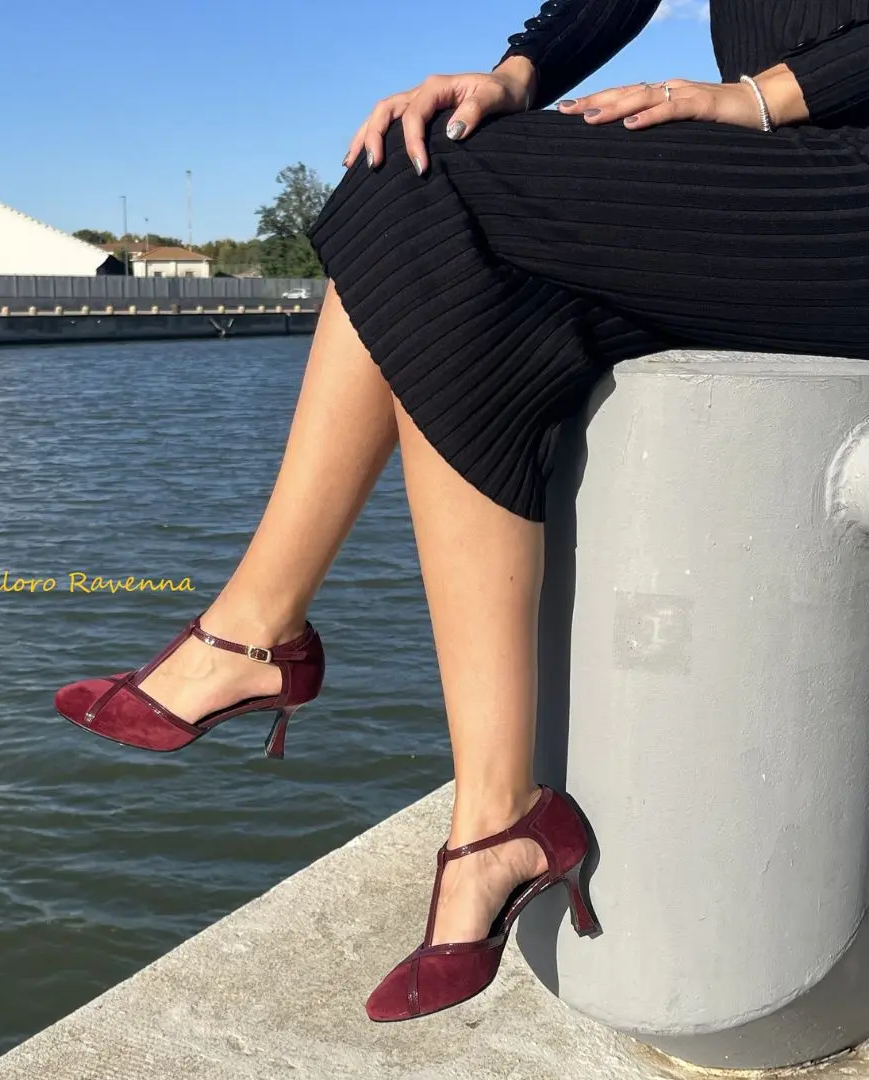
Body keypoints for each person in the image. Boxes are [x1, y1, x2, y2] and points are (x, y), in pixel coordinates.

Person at [56, 0, 869, 1023]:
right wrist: (519, 73)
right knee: (418, 187)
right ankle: (494, 815)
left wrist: (759, 98)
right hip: (772, 172)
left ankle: (257, 636)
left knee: (432, 184)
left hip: (831, 176)